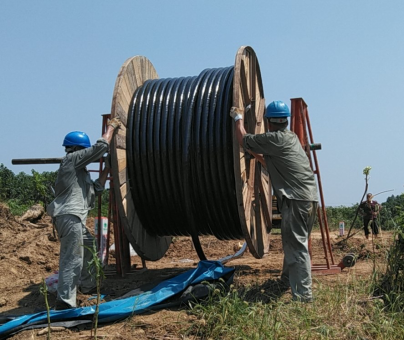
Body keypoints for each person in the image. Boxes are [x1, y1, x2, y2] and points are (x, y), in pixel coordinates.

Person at [230, 101, 319, 302]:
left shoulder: (274, 138)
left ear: (269, 122)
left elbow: (243, 139)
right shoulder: (290, 138)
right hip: (308, 199)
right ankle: (287, 280)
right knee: (293, 243)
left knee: (297, 248)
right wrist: (255, 153)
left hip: (296, 200)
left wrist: (238, 118)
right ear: (285, 120)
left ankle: (304, 297)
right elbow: (267, 161)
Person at [47, 117, 121, 310]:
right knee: (72, 257)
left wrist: (106, 170)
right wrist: (111, 127)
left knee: (89, 246)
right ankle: (65, 301)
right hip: (69, 216)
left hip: (75, 218)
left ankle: (87, 286)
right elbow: (100, 147)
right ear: (79, 149)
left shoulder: (81, 174)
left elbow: (96, 189)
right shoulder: (71, 160)